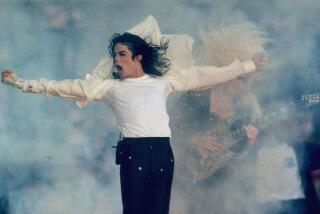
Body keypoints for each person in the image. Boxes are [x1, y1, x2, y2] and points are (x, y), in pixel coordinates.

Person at [1, 16, 267, 214]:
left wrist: (250, 64)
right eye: (114, 54)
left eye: (122, 54)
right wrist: (20, 83)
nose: (116, 59)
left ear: (138, 58)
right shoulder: (107, 87)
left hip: (162, 152)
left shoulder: (164, 81)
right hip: (134, 152)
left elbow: (207, 74)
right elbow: (60, 87)